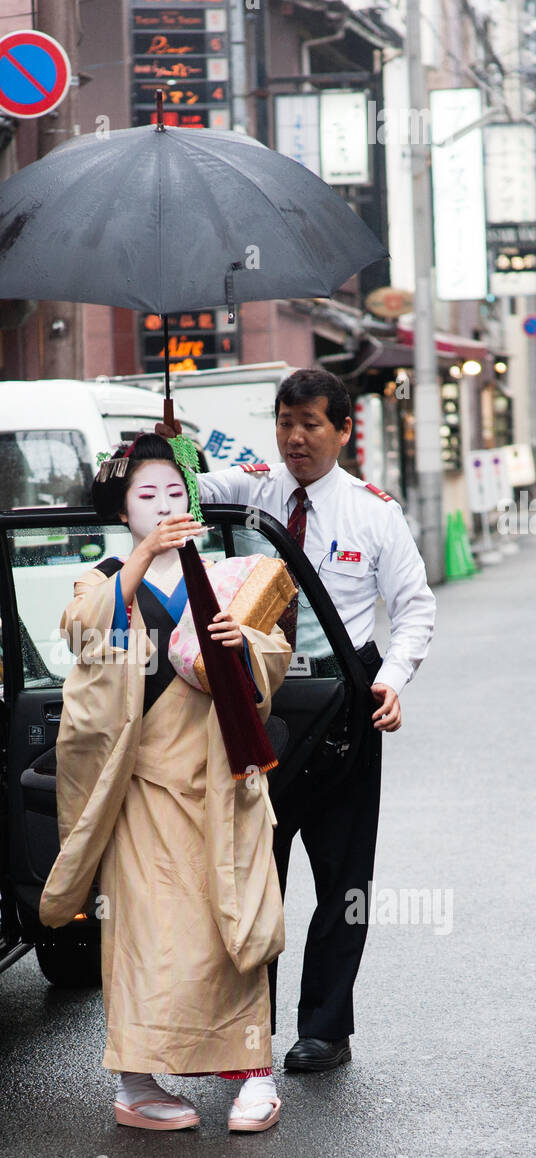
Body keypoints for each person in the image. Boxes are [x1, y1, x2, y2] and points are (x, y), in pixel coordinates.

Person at [38, 433, 291, 1132]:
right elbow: (83, 635)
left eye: (175, 494)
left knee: (230, 927)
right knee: (147, 939)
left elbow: (273, 651)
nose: (164, 506)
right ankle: (137, 1082)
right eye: (146, 497)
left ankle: (254, 1075)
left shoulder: (228, 576)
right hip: (143, 790)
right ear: (124, 512)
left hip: (218, 782)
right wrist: (145, 559)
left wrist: (245, 647)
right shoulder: (104, 579)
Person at [195, 367, 436, 1071]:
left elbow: (415, 607)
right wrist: (171, 451)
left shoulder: (373, 512)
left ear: (343, 431)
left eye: (310, 425)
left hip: (343, 707)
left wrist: (390, 681)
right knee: (251, 870)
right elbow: (179, 493)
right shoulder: (253, 488)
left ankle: (326, 1029)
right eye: (285, 422)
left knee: (342, 876)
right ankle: (247, 1027)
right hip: (258, 702)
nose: (295, 438)